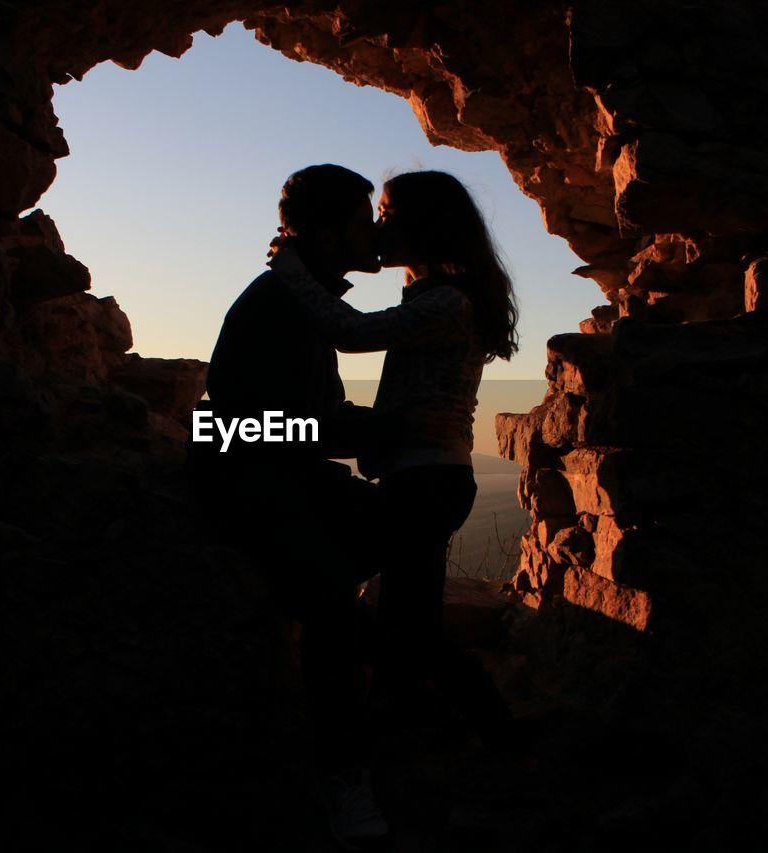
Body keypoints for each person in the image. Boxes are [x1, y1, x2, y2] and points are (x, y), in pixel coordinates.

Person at [267, 169, 519, 749]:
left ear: (422, 225)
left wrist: (292, 272)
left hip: (428, 480)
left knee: (386, 617)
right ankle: (430, 716)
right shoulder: (438, 299)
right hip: (427, 476)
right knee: (410, 622)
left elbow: (350, 331)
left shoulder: (447, 303)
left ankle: (492, 731)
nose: (379, 226)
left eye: (386, 213)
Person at [186, 164, 394, 849]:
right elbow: (240, 426)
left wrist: (353, 428)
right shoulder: (277, 305)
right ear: (331, 234)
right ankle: (344, 778)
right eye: (365, 219)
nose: (378, 231)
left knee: (396, 529)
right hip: (248, 479)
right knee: (330, 598)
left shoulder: (298, 301)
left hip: (285, 473)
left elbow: (306, 416)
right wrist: (356, 432)